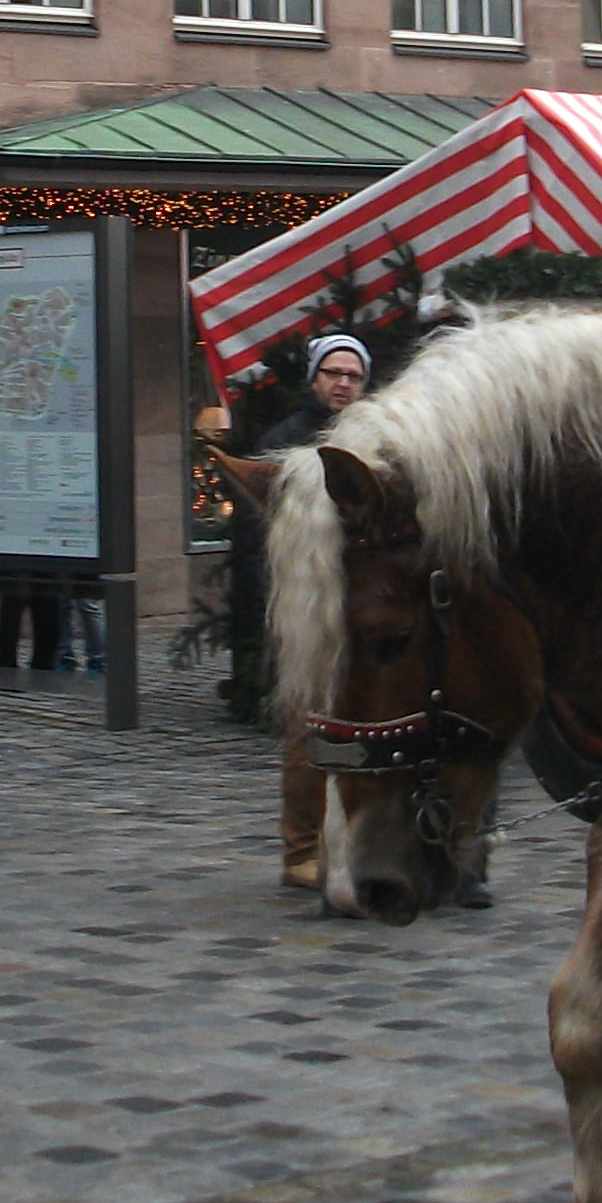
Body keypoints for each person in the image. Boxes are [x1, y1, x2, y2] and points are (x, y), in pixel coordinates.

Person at [251, 336, 373, 898]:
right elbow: (258, 541)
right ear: (314, 379)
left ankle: (355, 846)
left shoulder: (377, 442)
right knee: (306, 734)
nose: (343, 383)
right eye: (333, 372)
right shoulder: (282, 444)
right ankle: (299, 848)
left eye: (353, 374)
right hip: (304, 608)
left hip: (362, 609)